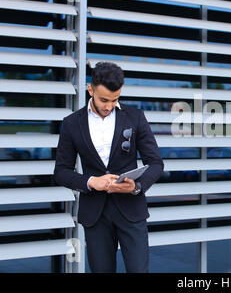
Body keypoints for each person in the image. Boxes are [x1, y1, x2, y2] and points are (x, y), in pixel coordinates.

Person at [54, 62, 164, 273]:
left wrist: (136, 186)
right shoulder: (71, 123)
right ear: (90, 90)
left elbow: (156, 163)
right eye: (104, 99)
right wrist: (90, 181)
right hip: (95, 213)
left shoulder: (135, 117)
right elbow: (61, 172)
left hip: (131, 209)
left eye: (115, 100)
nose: (109, 106)